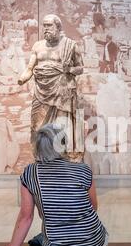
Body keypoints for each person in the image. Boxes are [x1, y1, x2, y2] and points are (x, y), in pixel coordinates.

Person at [0, 124, 108, 246]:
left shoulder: (30, 173)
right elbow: (93, 207)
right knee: (87, 232)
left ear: (37, 147)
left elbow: (26, 218)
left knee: (39, 240)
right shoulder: (83, 169)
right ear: (63, 144)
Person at [18, 14, 84, 162]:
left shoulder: (70, 45)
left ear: (58, 27)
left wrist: (69, 70)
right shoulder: (37, 46)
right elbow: (30, 68)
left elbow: (80, 68)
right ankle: (40, 158)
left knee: (61, 127)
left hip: (62, 91)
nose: (46, 28)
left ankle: (63, 160)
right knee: (37, 126)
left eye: (49, 25)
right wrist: (22, 78)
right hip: (41, 92)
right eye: (44, 25)